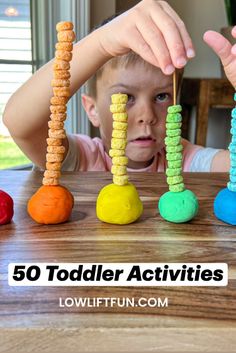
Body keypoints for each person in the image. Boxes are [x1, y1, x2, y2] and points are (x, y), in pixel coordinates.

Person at [3, 0, 235, 173]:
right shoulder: (79, 159)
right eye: (126, 98)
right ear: (92, 109)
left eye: (162, 96)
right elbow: (20, 123)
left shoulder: (182, 158)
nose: (147, 116)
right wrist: (102, 43)